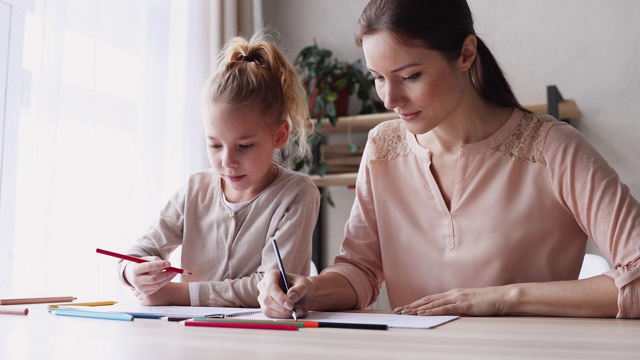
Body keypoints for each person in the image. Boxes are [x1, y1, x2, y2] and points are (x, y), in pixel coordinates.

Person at [258, 0, 640, 319]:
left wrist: (503, 298)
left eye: (409, 76)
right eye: (377, 77)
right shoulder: (382, 147)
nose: (389, 99)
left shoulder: (553, 149)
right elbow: (359, 270)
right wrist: (307, 289)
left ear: (466, 54)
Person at [118, 31, 320, 307]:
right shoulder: (195, 189)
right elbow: (141, 249)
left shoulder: (297, 194)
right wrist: (133, 271)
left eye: (245, 146)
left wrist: (181, 294)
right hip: (192, 336)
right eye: (214, 145)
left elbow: (275, 285)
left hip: (263, 341)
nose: (227, 161)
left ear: (280, 135)